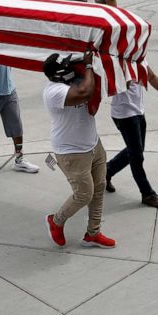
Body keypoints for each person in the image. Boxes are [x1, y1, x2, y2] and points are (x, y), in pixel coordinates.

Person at [43, 51, 116, 249]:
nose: (70, 68)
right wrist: (89, 66)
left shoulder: (72, 80)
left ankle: (93, 234)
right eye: (65, 67)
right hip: (71, 152)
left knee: (98, 188)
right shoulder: (54, 91)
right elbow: (85, 93)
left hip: (93, 144)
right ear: (57, 74)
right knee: (84, 194)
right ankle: (56, 221)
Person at [106, 65, 158, 209]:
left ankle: (106, 171)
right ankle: (147, 194)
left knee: (136, 150)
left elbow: (151, 77)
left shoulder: (138, 59)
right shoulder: (116, 62)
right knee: (136, 156)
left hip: (138, 112)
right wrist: (121, 83)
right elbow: (106, 86)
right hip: (125, 115)